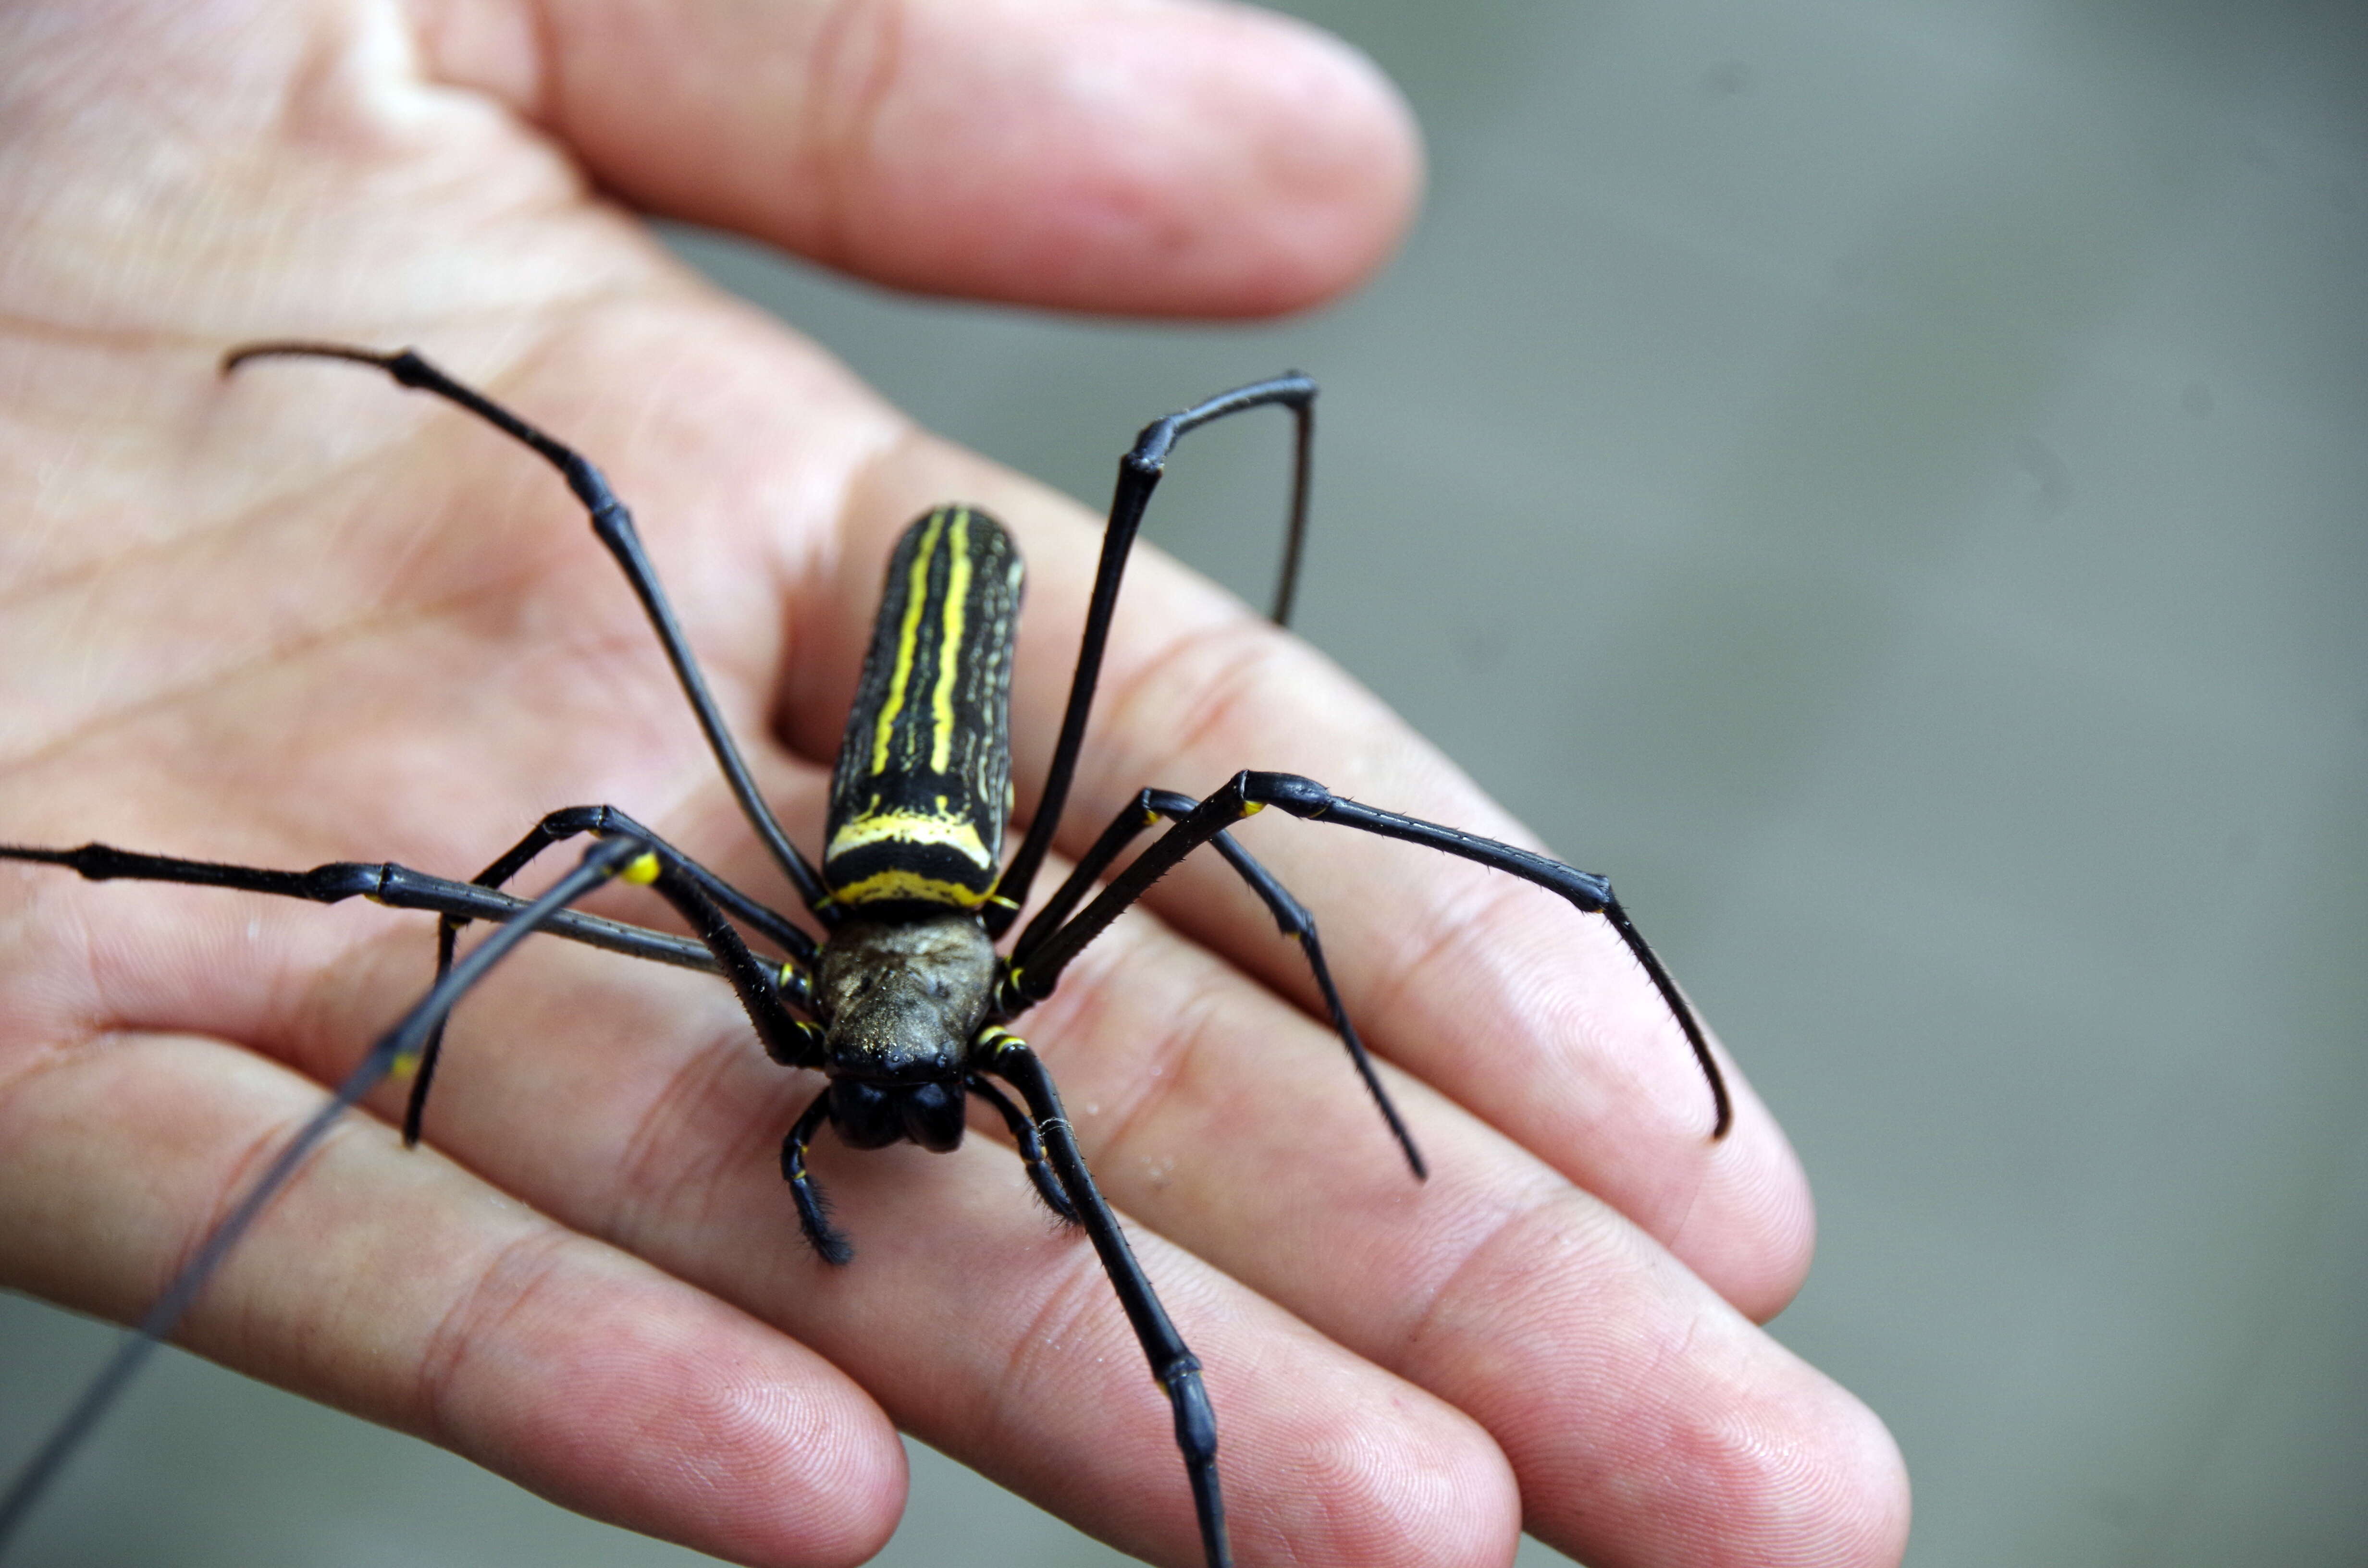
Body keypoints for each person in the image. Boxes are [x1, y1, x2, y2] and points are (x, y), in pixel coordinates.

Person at [0, 0, 1908, 1563]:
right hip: (896, 855)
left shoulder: (956, 1019)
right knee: (508, 855)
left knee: (1226, 809)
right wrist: (425, 1002)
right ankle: (71, 853)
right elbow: (571, 856)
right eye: (880, 1078)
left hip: (940, 779)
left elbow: (1230, 851)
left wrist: (1330, 967)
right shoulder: (871, 1009)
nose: (899, 1106)